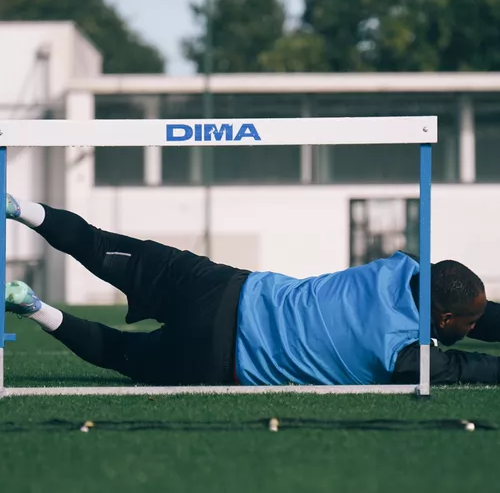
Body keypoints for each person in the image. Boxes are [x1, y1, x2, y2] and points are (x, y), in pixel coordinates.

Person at [4, 193, 500, 387]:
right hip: (219, 357)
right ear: (442, 322)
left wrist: (477, 316)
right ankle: (34, 308)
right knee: (121, 352)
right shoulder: (404, 357)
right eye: (469, 324)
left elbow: (471, 307)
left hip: (223, 289)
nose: (476, 328)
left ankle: (20, 207)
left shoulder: (400, 267)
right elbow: (467, 367)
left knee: (101, 245)